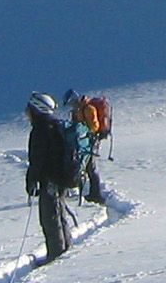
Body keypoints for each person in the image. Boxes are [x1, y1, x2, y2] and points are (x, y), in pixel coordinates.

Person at [24, 92, 73, 258]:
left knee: (50, 218)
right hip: (61, 177)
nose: (26, 112)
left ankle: (56, 254)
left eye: (29, 108)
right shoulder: (55, 125)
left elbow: (37, 159)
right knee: (59, 213)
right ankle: (65, 249)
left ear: (37, 109)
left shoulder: (41, 129)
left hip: (51, 179)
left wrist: (31, 181)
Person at [65, 90, 105, 202]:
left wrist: (84, 130)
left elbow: (94, 126)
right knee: (86, 166)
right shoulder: (78, 110)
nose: (71, 106)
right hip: (83, 142)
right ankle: (93, 193)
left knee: (91, 167)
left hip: (91, 141)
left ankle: (96, 194)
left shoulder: (88, 109)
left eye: (71, 103)